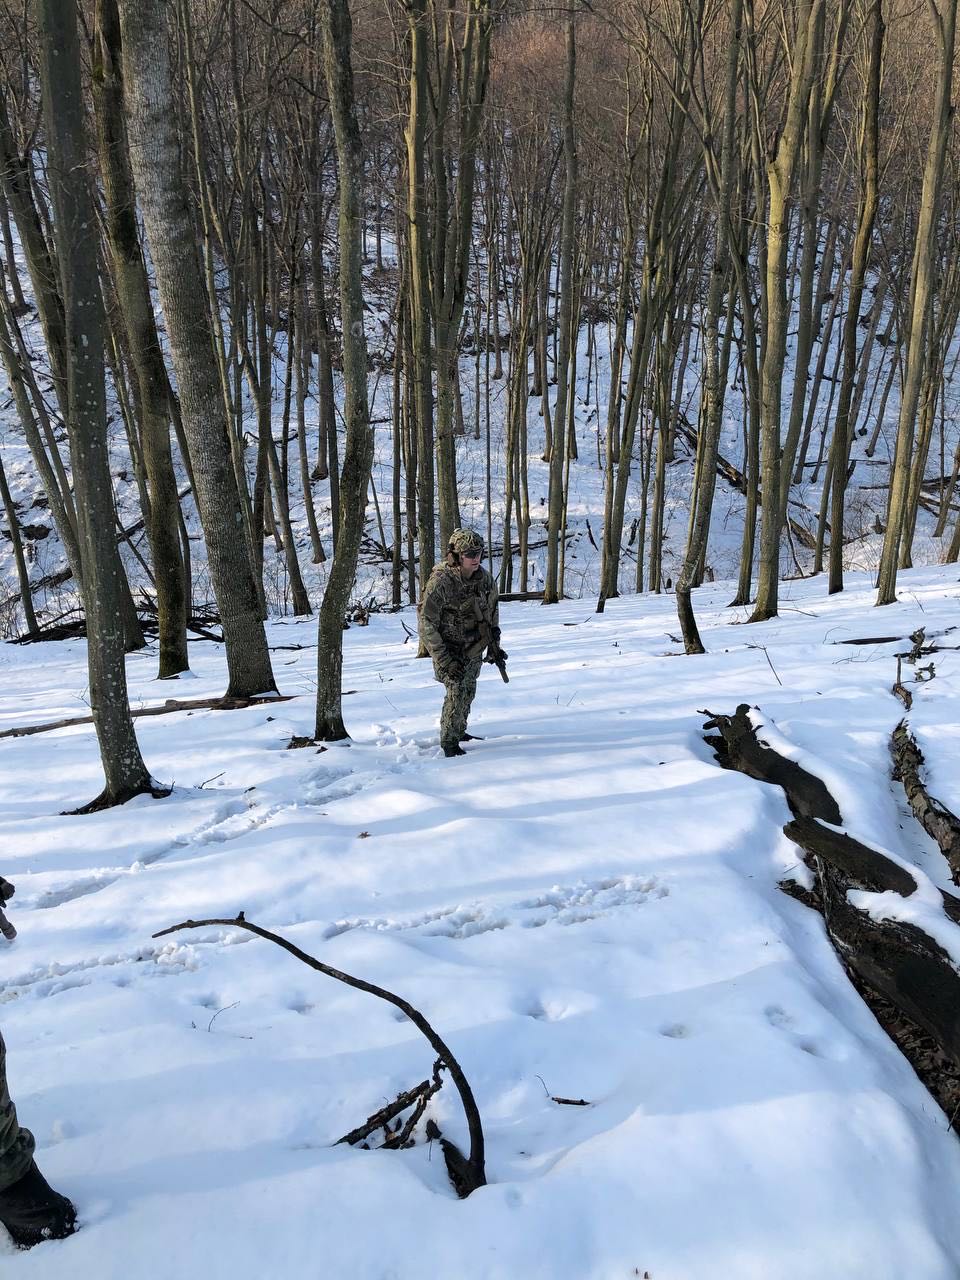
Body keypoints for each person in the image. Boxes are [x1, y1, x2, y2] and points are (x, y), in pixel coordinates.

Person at [419, 527, 506, 757]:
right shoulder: (441, 582)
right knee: (456, 691)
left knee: (468, 690)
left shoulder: (485, 579)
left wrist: (494, 644)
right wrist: (445, 660)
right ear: (456, 556)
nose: (475, 558)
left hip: (473, 646)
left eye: (478, 553)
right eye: (469, 554)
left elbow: (493, 612)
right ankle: (449, 743)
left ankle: (458, 730)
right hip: (447, 649)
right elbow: (427, 624)